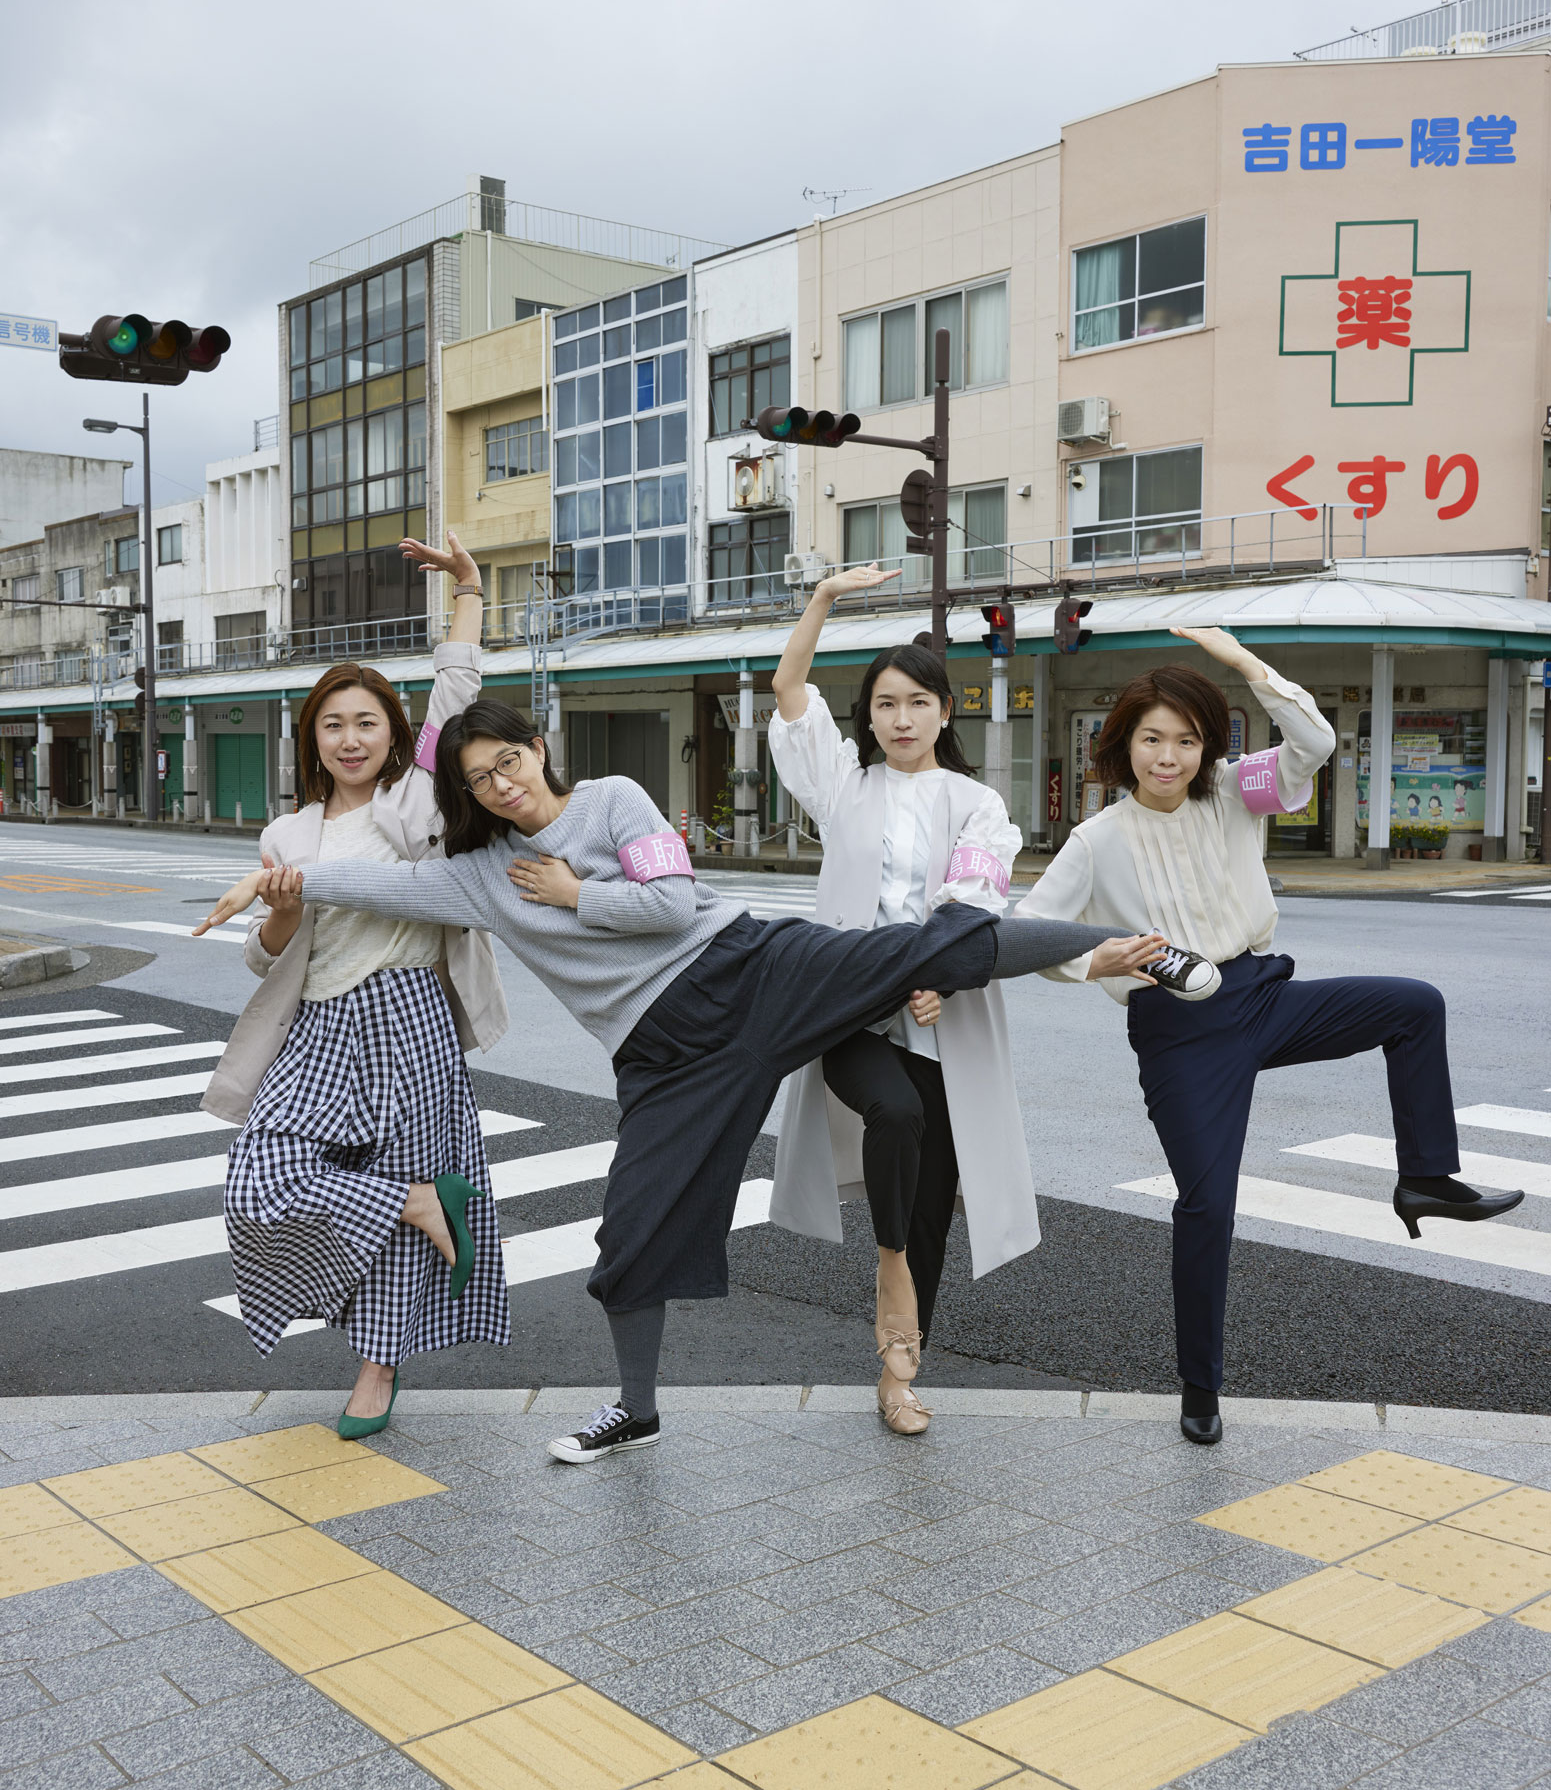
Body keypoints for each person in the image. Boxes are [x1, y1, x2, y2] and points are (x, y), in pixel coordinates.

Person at [196, 699, 1209, 1465]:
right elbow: (375, 879)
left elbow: (674, 898)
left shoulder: (613, 803)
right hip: (665, 1055)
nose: (501, 784)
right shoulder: (475, 870)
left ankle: (1139, 948)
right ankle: (635, 1408)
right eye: (479, 778)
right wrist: (271, 880)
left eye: (508, 761)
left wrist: (579, 891)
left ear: (539, 749)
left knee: (926, 947)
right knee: (632, 1230)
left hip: (747, 969)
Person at [1017, 624, 1524, 1446]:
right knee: (1207, 1204)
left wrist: (1243, 663)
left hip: (1261, 992)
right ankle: (1198, 1389)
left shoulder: (1234, 790)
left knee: (1414, 1004)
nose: (1168, 757)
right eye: (1152, 739)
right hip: (1179, 1030)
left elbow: (1314, 741)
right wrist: (1099, 957)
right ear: (1124, 745)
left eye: (1185, 740)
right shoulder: (1094, 841)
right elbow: (1028, 932)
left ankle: (1426, 1178)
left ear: (1206, 747)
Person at [766, 566, 1170, 1434]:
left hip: (944, 1014)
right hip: (849, 1011)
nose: (901, 720)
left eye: (917, 703)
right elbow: (788, 687)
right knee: (895, 1117)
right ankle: (887, 1269)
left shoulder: (979, 803)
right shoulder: (840, 789)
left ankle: (899, 1372)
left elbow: (974, 905)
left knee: (934, 1198)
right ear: (867, 718)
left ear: (945, 712)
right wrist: (825, 600)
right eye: (884, 706)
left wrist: (930, 978)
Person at [199, 535, 510, 1438]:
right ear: (313, 739)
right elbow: (268, 957)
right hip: (318, 1030)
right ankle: (417, 1200)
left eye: (366, 723)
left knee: (397, 1172)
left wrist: (469, 593)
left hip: (409, 1016)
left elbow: (454, 689)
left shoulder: (416, 801)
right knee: (258, 1177)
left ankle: (376, 1373)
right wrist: (283, 916)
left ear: (393, 735)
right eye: (333, 725)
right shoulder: (286, 836)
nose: (350, 739)